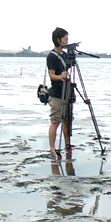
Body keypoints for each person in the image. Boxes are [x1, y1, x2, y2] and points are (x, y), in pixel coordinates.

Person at [47, 27, 71, 158]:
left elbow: (70, 73)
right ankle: (52, 148)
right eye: (65, 39)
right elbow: (52, 76)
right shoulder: (51, 56)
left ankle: (67, 145)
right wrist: (61, 75)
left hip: (67, 92)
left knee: (67, 121)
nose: (67, 41)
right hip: (56, 93)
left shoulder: (66, 55)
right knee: (56, 121)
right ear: (58, 40)